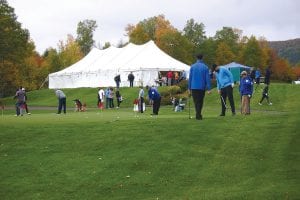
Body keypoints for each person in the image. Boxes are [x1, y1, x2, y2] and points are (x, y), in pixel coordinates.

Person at [188, 54, 211, 120]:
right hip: (201, 87)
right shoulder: (205, 67)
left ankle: (198, 114)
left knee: (196, 101)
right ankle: (198, 114)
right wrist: (209, 89)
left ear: (196, 58)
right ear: (202, 58)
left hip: (194, 87)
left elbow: (190, 78)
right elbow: (207, 79)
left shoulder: (192, 67)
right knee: (200, 101)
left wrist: (189, 88)